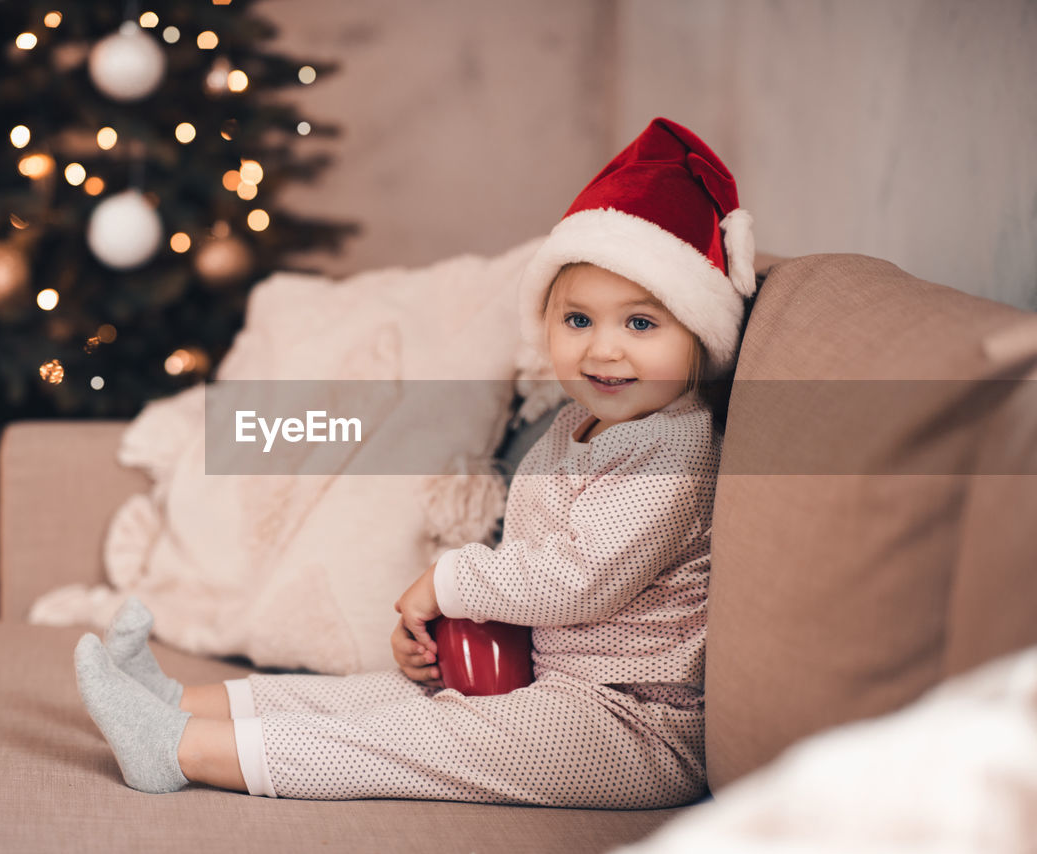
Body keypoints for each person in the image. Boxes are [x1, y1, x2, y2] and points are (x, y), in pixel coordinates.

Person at [73, 117, 758, 808]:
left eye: (640, 324)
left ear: (698, 335)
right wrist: (445, 641)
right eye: (577, 320)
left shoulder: (676, 446)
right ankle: (176, 700)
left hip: (632, 722)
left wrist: (448, 582)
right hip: (549, 681)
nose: (603, 350)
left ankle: (179, 749)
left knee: (416, 739)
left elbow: (577, 579)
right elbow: (533, 576)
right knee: (380, 694)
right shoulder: (575, 428)